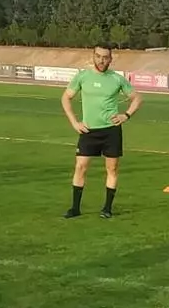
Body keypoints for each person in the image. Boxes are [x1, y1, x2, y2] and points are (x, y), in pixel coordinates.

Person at [60, 43, 142, 219]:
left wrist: (126, 115)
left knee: (112, 169)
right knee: (80, 167)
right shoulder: (83, 77)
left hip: (111, 131)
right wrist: (74, 122)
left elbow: (136, 98)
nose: (101, 60)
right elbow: (66, 97)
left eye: (105, 57)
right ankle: (75, 208)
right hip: (88, 131)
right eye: (98, 56)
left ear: (110, 59)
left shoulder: (117, 79)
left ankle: (107, 208)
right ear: (93, 56)